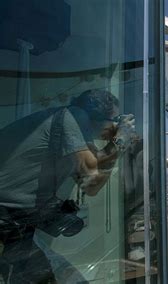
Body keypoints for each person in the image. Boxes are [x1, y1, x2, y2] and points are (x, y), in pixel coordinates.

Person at [0, 89, 135, 283]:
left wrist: (117, 143)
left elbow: (92, 185)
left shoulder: (71, 131)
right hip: (8, 218)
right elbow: (93, 174)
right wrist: (120, 139)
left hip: (14, 220)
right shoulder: (72, 116)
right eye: (115, 119)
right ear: (95, 116)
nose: (114, 125)